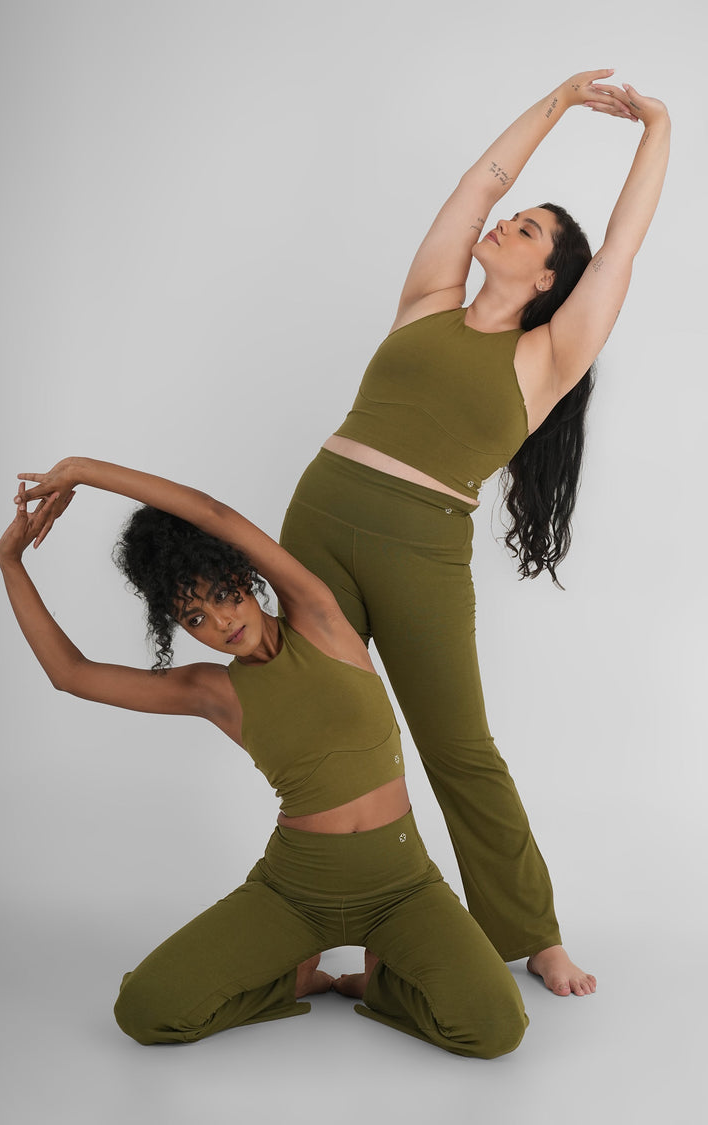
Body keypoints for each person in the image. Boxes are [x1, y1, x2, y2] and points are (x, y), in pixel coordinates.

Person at [279, 70, 670, 996]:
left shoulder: (547, 356)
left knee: (460, 748)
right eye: (518, 216)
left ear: (546, 281)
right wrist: (560, 102)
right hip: (321, 516)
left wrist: (655, 123)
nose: (508, 223)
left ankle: (533, 932)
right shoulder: (428, 297)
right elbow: (480, 183)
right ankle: (311, 914)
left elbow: (620, 248)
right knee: (321, 729)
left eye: (530, 231)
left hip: (421, 545)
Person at [0, 456, 528, 1057]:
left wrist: (84, 471)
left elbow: (212, 514)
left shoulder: (319, 617)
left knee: (496, 1027)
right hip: (294, 890)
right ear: (182, 630)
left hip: (402, 885)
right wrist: (10, 561)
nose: (221, 621)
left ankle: (378, 985)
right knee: (144, 1011)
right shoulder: (213, 693)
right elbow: (71, 674)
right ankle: (293, 977)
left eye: (225, 595)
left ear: (245, 581)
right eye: (195, 616)